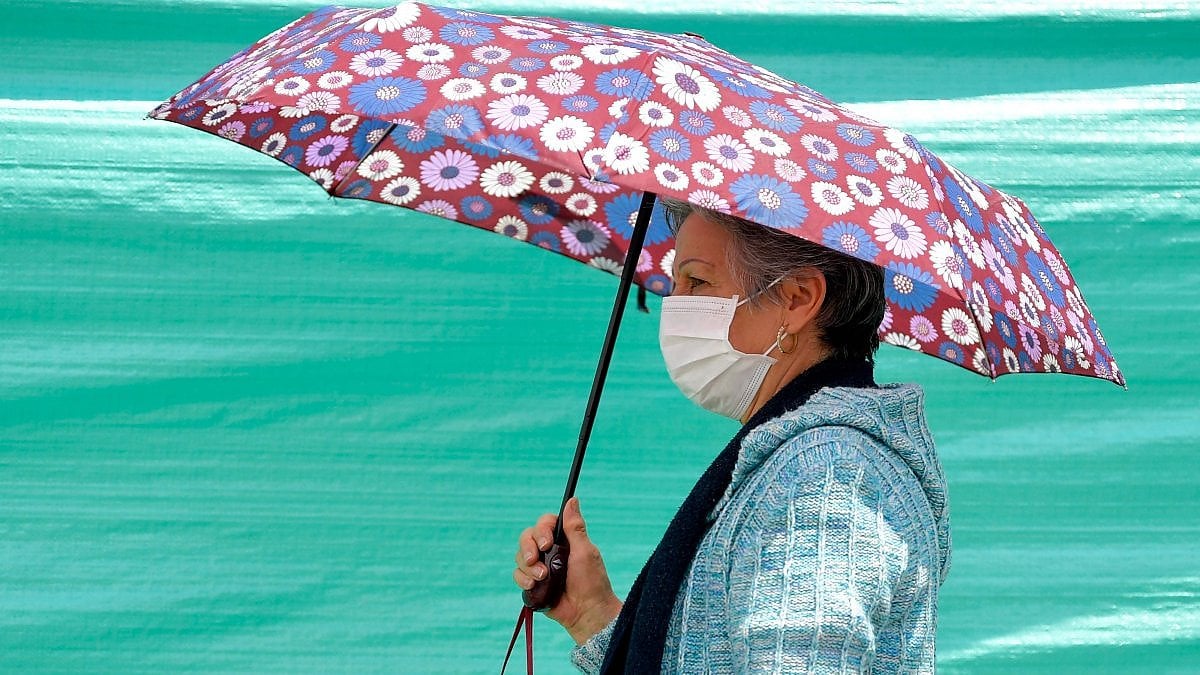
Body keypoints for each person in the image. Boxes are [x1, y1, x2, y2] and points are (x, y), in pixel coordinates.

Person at [513, 197, 953, 673]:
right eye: (675, 281)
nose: (673, 304)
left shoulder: (827, 476)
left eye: (697, 281)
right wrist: (594, 616)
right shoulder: (806, 459)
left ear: (799, 298)